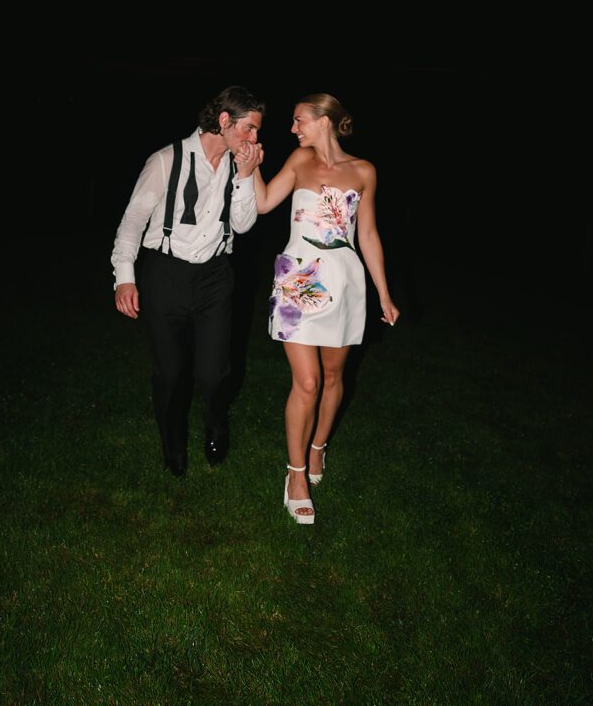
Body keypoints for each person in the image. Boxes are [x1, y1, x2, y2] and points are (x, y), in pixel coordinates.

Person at [246, 93, 399, 524]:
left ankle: (318, 449)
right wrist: (250, 167)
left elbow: (367, 234)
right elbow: (262, 204)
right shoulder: (298, 161)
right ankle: (295, 476)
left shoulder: (364, 171)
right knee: (308, 381)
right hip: (298, 277)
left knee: (334, 376)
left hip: (345, 278)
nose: (294, 130)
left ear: (325, 121)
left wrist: (383, 294)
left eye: (300, 121)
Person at [112, 85, 265, 477]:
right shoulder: (166, 160)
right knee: (170, 373)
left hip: (215, 277)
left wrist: (247, 175)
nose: (253, 139)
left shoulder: (238, 164)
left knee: (215, 373)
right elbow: (132, 221)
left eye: (256, 132)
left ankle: (216, 421)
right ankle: (173, 448)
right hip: (166, 274)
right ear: (225, 121)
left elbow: (244, 224)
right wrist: (124, 278)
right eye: (248, 129)